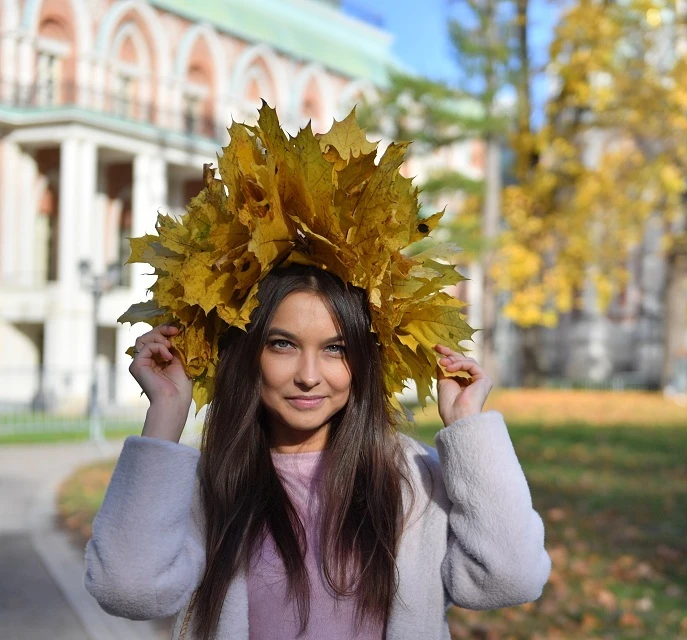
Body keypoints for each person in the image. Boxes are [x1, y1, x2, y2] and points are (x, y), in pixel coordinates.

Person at [83, 106, 551, 640]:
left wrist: (469, 427)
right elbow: (128, 590)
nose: (310, 375)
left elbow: (510, 578)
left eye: (335, 349)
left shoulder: (411, 481)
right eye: (283, 344)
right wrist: (165, 417)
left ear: (364, 359)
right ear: (247, 353)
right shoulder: (207, 485)